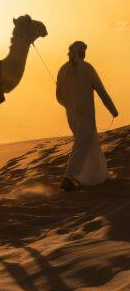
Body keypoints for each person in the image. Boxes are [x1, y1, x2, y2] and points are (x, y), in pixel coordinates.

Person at [56, 41, 118, 190]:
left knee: (90, 143)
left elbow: (58, 97)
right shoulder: (87, 68)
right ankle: (69, 178)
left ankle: (94, 176)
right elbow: (101, 91)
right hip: (86, 115)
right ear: (82, 52)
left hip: (72, 116)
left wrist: (69, 106)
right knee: (82, 144)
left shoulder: (62, 70)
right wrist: (113, 110)